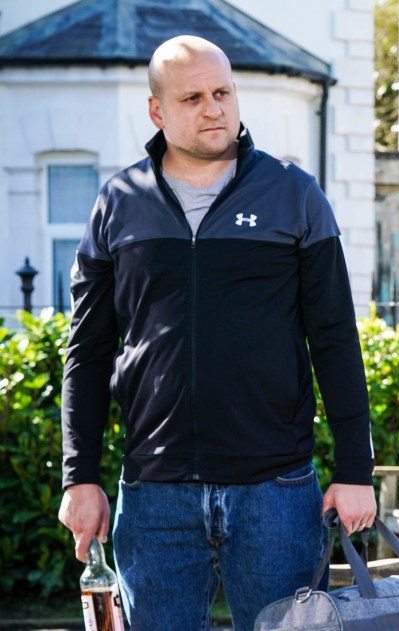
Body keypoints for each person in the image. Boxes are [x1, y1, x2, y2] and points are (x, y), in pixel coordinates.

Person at [57, 35, 377, 631]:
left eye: (224, 92)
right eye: (194, 97)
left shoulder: (293, 194)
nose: (214, 108)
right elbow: (88, 352)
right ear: (158, 111)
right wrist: (81, 478)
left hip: (275, 491)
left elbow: (334, 337)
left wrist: (355, 469)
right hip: (154, 494)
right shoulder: (119, 203)